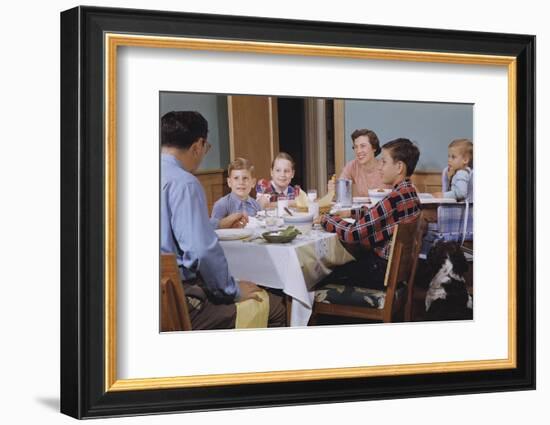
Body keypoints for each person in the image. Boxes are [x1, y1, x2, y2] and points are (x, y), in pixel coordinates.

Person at [160, 111, 286, 329]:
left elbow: (170, 228)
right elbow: (201, 251)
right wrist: (233, 291)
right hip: (179, 300)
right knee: (276, 308)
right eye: (205, 148)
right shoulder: (185, 183)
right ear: (198, 145)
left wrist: (218, 224)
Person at [319, 138, 421, 289]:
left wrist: (325, 219)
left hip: (380, 270)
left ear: (399, 167)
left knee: (322, 275)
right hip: (392, 270)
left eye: (384, 162)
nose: (380, 167)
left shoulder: (393, 198)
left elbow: (352, 234)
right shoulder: (409, 193)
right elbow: (379, 214)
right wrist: (351, 212)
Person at [328, 128, 391, 197]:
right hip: (364, 207)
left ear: (374, 148)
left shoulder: (386, 166)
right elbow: (340, 193)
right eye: (356, 147)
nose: (358, 151)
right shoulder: (352, 166)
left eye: (363, 146)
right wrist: (334, 190)